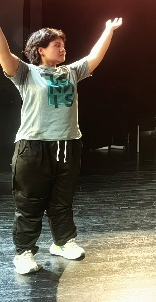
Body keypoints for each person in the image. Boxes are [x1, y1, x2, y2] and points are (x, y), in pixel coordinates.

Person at [0, 18, 123, 275]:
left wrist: (108, 30)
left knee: (62, 201)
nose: (63, 49)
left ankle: (62, 242)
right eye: (56, 45)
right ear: (41, 50)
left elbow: (95, 56)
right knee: (30, 204)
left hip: (68, 145)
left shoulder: (71, 72)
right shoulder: (26, 72)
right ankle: (24, 253)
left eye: (63, 45)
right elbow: (5, 55)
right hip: (33, 147)